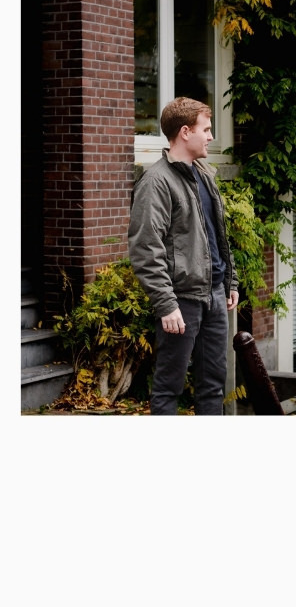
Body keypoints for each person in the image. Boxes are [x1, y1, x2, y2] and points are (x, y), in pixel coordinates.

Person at [128, 97, 239, 415]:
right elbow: (146, 249)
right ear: (185, 131)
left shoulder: (203, 174)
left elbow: (217, 235)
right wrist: (166, 304)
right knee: (168, 387)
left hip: (215, 296)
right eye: (206, 129)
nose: (211, 137)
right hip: (182, 302)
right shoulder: (157, 182)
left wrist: (230, 280)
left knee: (213, 385)